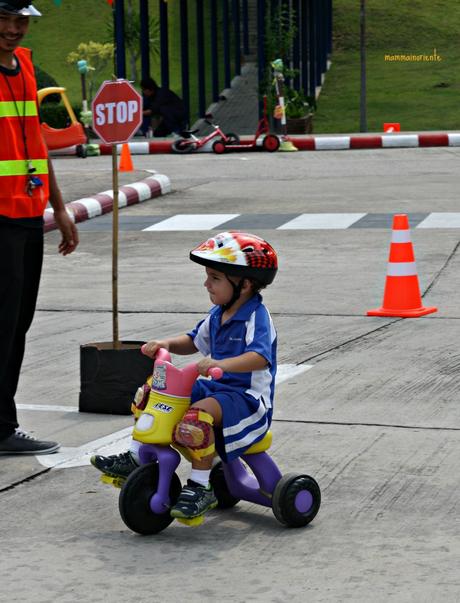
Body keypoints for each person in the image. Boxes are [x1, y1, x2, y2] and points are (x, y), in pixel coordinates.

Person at [92, 231, 278, 519]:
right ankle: (134, 455)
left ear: (245, 284)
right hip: (218, 394)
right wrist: (165, 344)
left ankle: (201, 487)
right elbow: (193, 340)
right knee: (152, 391)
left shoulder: (256, 317)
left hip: (248, 402)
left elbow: (260, 357)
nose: (206, 284)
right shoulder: (218, 314)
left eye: (215, 278)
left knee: (196, 419)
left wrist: (223, 364)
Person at [0, 0, 79, 455]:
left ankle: (1, 423)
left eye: (21, 21)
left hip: (28, 215)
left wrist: (60, 207)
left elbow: (35, 143)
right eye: (5, 19)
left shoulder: (25, 67)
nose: (14, 29)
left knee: (17, 325)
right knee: (1, 325)